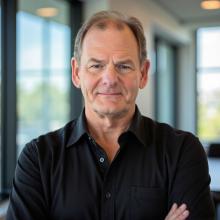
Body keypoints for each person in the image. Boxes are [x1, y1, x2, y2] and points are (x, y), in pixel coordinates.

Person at [6, 10, 215, 220]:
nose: (109, 79)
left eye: (123, 66)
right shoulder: (38, 159)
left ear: (143, 73)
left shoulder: (182, 152)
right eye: (96, 65)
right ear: (76, 72)